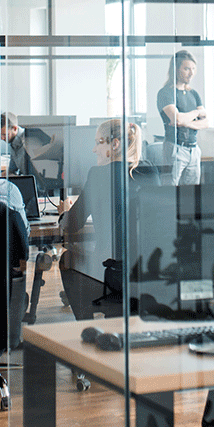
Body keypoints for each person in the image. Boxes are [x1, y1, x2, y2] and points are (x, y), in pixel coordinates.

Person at [57, 119, 159, 320]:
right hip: (148, 271)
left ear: (114, 144)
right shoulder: (150, 171)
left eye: (98, 142)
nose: (94, 149)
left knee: (67, 259)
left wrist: (64, 213)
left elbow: (72, 226)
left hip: (112, 272)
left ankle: (86, 324)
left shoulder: (98, 175)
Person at [157, 50, 208, 185]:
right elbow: (177, 119)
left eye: (193, 69)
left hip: (194, 150)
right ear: (176, 69)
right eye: (186, 69)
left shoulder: (194, 94)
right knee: (170, 192)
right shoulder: (165, 93)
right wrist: (195, 114)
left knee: (191, 196)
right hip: (175, 148)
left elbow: (206, 122)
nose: (191, 73)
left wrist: (186, 121)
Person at [0, 111, 35, 177]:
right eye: (0, 135)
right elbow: (11, 170)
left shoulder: (28, 141)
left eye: (5, 134)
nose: (2, 138)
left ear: (15, 128)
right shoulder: (13, 143)